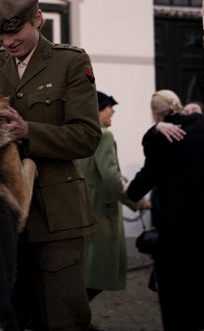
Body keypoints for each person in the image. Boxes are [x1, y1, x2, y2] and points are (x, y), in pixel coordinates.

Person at [0, 0, 102, 331]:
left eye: (14, 31)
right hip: (4, 214)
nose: (7, 41)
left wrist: (29, 131)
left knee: (64, 318)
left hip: (56, 215)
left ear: (38, 19)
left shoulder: (70, 63)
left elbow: (87, 136)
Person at [126, 90, 204, 331]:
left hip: (174, 224)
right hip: (203, 220)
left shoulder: (160, 137)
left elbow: (146, 176)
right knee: (203, 278)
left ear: (156, 114)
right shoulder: (202, 125)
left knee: (175, 286)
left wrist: (155, 130)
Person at [78, 92, 148, 305]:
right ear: (99, 109)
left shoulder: (83, 134)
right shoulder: (104, 135)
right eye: (109, 106)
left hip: (86, 208)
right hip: (103, 212)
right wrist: (138, 202)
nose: (113, 111)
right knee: (99, 275)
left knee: (89, 273)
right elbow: (111, 177)